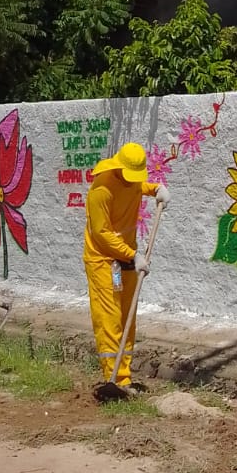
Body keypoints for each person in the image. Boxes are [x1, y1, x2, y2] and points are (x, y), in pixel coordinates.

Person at [84, 142, 169, 401]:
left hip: (128, 260)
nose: (135, 181)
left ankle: (125, 375)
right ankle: (115, 379)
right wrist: (133, 255)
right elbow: (102, 234)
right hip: (103, 261)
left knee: (127, 317)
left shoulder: (131, 182)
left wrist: (157, 189)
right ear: (120, 167)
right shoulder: (101, 191)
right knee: (109, 319)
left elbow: (139, 187)